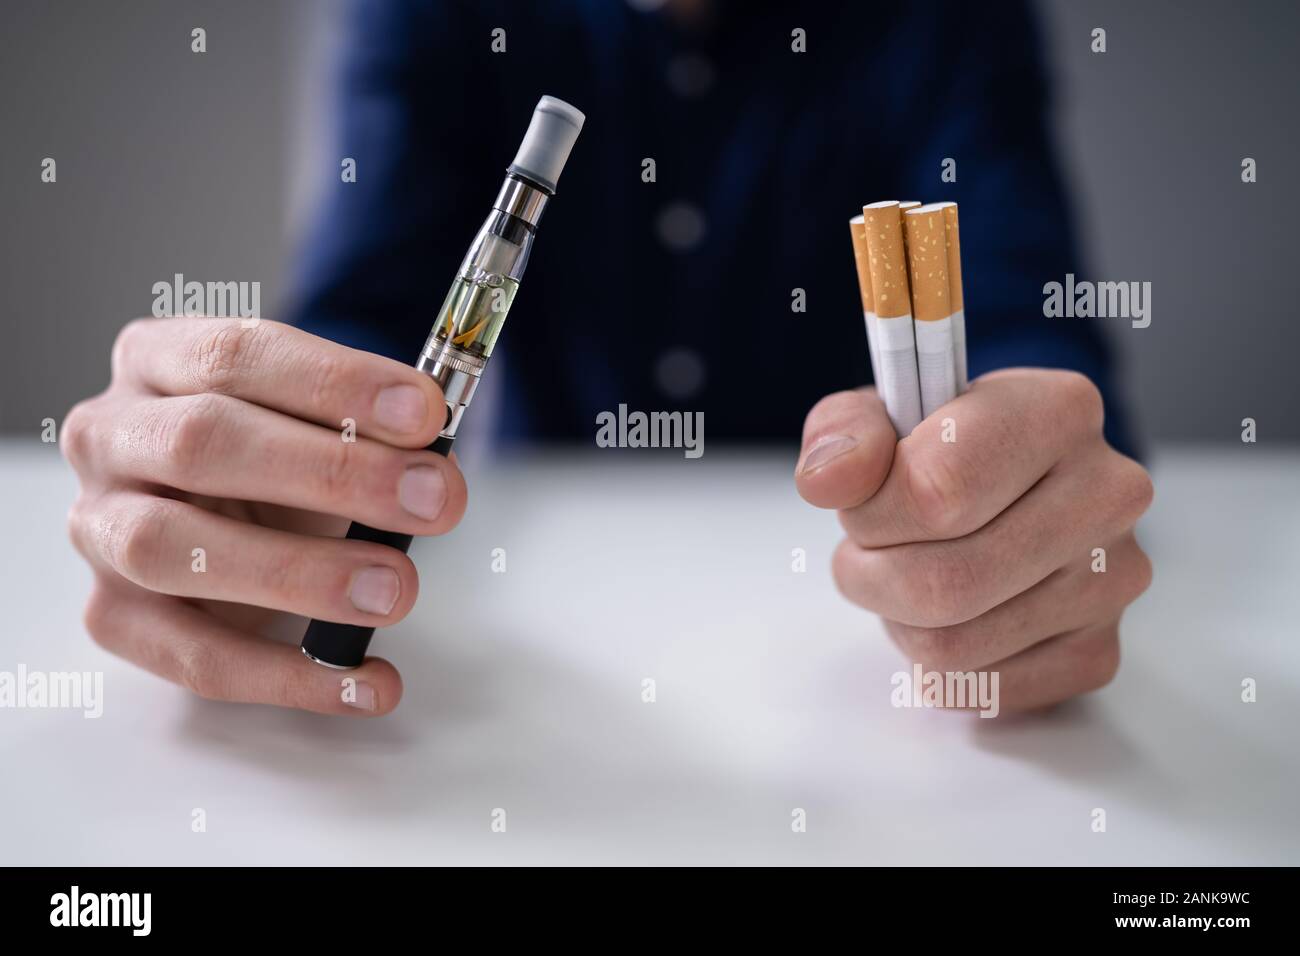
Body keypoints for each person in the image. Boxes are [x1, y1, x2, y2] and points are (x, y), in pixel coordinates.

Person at [62, 0, 1151, 716]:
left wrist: (1025, 478)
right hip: (543, 621)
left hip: (844, 626)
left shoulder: (948, 21)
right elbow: (361, 315)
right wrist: (252, 460)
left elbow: (1030, 335)